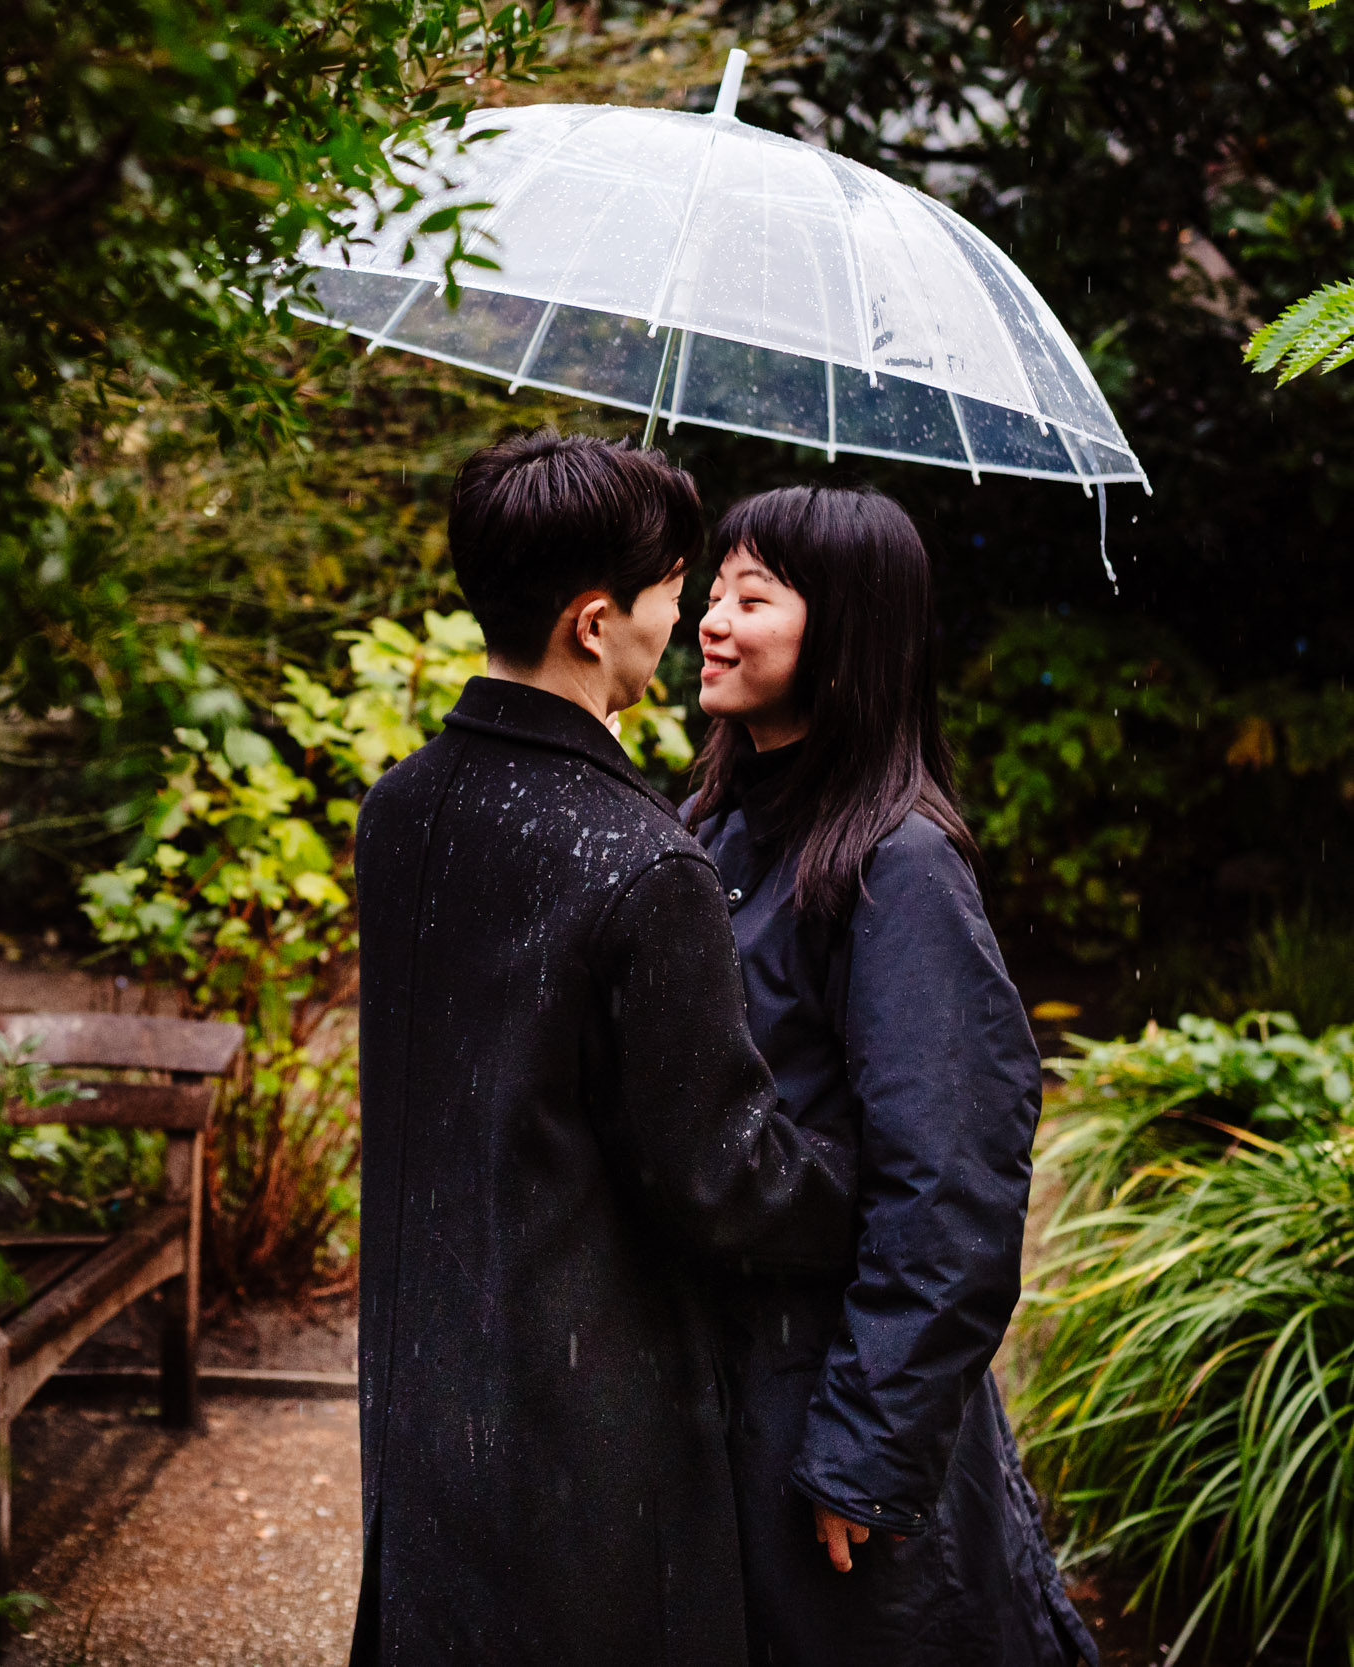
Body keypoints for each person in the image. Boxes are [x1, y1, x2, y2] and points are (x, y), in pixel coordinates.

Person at [350, 433, 856, 1667]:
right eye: (673, 598)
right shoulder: (643, 860)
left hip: (422, 1384)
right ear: (592, 621)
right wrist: (860, 1173)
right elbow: (720, 1178)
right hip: (586, 1417)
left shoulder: (401, 806)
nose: (682, 630)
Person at [684, 485, 1095, 1667]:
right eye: (713, 590)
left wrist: (865, 1448)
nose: (712, 619)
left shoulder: (896, 865)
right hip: (742, 1385)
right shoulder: (716, 825)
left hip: (836, 1403)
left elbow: (952, 1189)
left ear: (846, 630)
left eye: (752, 597)